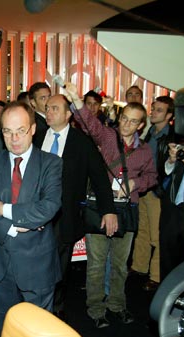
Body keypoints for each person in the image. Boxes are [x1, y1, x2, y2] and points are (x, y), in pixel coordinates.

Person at [65, 83, 156, 328]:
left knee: (119, 265)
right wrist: (75, 98)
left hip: (127, 210)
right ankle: (96, 309)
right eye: (124, 118)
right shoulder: (107, 136)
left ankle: (117, 305)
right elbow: (89, 123)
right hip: (100, 207)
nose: (126, 124)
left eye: (132, 121)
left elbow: (153, 177)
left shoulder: (145, 150)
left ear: (140, 125)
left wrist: (136, 183)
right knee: (95, 263)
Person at [0, 101, 63, 334]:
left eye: (20, 130)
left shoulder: (50, 164)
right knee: (8, 333)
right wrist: (11, 228)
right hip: (0, 264)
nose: (14, 138)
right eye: (7, 131)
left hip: (38, 264)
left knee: (39, 333)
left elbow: (48, 207)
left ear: (33, 129)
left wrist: (4, 210)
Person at [34, 94, 116, 321]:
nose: (48, 112)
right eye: (47, 108)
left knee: (60, 264)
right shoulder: (37, 137)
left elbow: (99, 177)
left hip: (65, 214)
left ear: (68, 114)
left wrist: (108, 210)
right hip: (36, 213)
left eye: (54, 108)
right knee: (36, 259)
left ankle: (56, 306)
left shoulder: (81, 141)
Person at [129, 96, 175, 292]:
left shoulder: (171, 136)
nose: (153, 112)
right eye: (153, 108)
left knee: (157, 235)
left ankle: (156, 276)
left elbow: (169, 168)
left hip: (158, 191)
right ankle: (139, 267)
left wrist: (161, 190)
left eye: (158, 110)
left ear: (169, 115)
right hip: (143, 188)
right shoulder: (150, 134)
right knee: (142, 231)